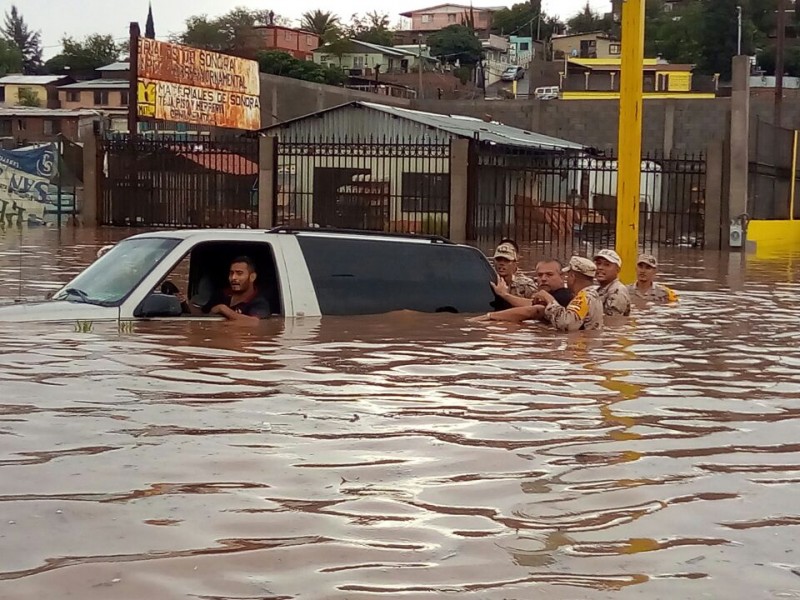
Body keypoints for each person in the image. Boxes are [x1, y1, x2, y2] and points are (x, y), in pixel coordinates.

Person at [475, 256, 603, 331]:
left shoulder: (578, 297)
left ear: (572, 277)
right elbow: (531, 305)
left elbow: (535, 311)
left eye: (549, 274)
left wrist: (489, 317)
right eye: (540, 275)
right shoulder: (590, 294)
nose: (543, 278)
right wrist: (505, 295)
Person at [173, 256, 270, 323]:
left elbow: (255, 323)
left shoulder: (259, 302)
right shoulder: (222, 294)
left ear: (252, 277)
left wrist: (222, 309)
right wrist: (184, 302)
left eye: (239, 273)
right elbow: (204, 314)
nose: (233, 278)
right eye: (231, 273)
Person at [593, 249, 631, 317]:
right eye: (598, 263)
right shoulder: (600, 290)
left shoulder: (618, 291)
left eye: (607, 265)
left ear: (617, 270)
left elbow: (613, 323)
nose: (600, 267)